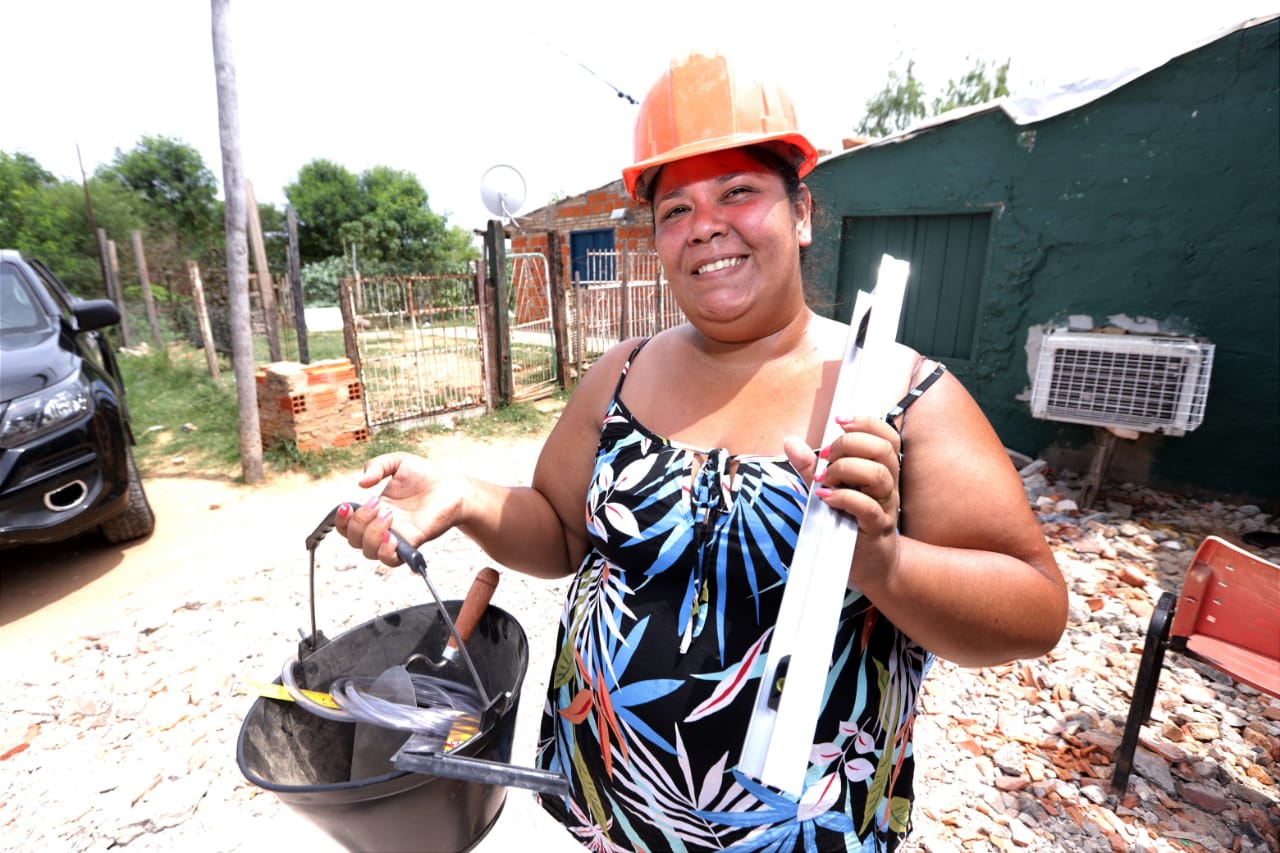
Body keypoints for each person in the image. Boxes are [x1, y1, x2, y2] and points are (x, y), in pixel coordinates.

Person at [337, 51, 1066, 853]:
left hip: (794, 830)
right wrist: (466, 496)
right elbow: (560, 531)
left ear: (803, 213)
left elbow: (1034, 610)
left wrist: (886, 564)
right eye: (676, 208)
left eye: (739, 192)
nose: (706, 225)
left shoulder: (898, 393)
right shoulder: (621, 372)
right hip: (612, 804)